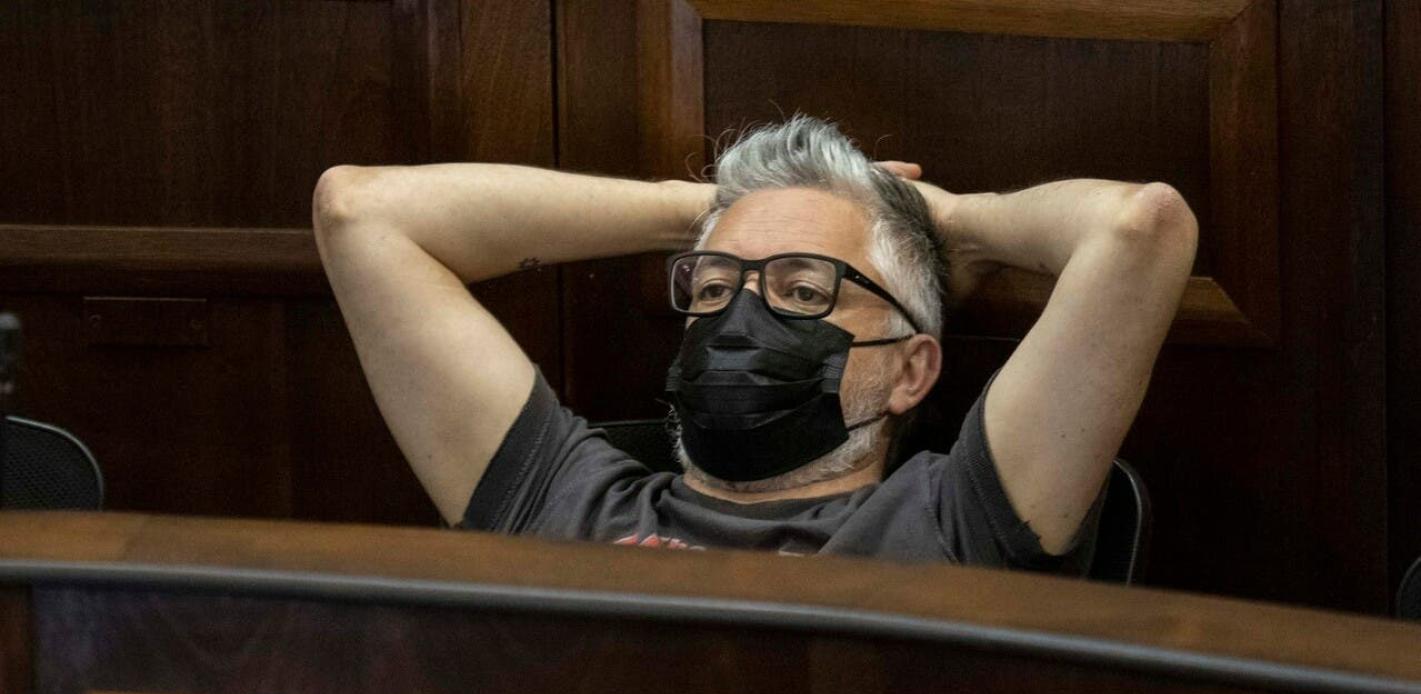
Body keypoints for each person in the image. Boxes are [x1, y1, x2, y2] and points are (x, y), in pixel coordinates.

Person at [311, 116, 1196, 571]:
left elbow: (1139, 227)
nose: (740, 319)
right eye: (712, 288)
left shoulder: (954, 521)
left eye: (802, 291)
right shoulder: (559, 497)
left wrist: (950, 221)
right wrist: (699, 208)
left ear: (909, 368)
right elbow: (363, 213)